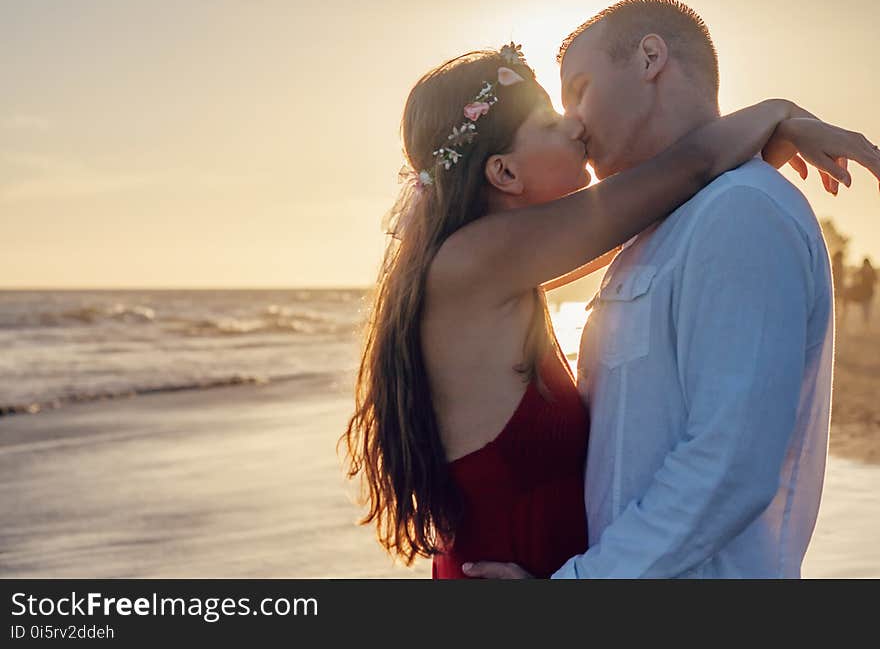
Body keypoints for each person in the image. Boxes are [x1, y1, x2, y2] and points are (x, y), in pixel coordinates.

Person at [341, 41, 879, 577]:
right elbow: (688, 169)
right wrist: (780, 113)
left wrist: (757, 147)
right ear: (504, 173)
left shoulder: (490, 265)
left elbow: (658, 210)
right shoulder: (476, 260)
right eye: (550, 122)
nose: (574, 126)